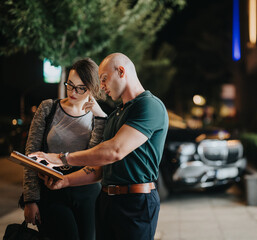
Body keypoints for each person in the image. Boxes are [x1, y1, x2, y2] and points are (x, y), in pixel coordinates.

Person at [30, 53, 169, 240]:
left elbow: (114, 151)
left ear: (121, 71)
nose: (101, 87)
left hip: (135, 202)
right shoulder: (116, 115)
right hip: (106, 201)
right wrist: (66, 181)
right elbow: (98, 169)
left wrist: (62, 158)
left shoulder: (148, 106)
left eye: (104, 79)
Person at [23, 58, 107, 240]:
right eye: (70, 85)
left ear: (92, 88)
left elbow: (93, 158)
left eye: (80, 88)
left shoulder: (98, 116)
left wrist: (100, 117)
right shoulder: (49, 108)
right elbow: (31, 154)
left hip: (87, 193)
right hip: (51, 190)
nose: (73, 92)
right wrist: (31, 199)